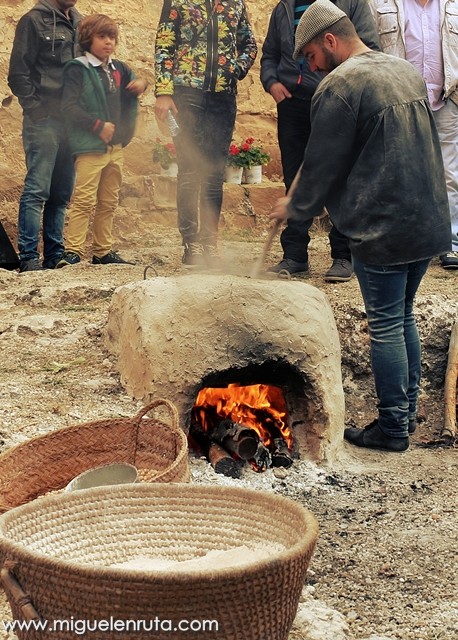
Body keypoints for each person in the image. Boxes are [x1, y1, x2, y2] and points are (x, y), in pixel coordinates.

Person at [269, 0, 451, 451]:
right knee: (401, 315)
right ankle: (405, 416)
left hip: (383, 223)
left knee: (386, 323)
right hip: (425, 219)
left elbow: (322, 161)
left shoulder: (341, 85)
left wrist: (294, 204)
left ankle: (391, 430)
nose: (311, 67)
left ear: (330, 40)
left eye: (311, 56)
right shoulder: (402, 70)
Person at [261, 0, 380, 282]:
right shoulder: (283, 8)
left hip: (339, 98)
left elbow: (369, 48)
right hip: (293, 103)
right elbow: (269, 55)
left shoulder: (351, 3)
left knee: (343, 176)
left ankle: (343, 255)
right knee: (294, 177)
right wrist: (272, 82)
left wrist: (343, 85)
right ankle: (294, 255)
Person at [154, 0, 257, 269]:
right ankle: (191, 244)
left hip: (223, 98)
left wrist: (235, 68)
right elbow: (165, 43)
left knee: (213, 173)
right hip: (187, 93)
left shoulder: (235, 3)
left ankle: (210, 242)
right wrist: (164, 91)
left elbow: (250, 44)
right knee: (189, 170)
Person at [369, 0, 458, 272]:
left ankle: (450, 244)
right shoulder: (381, 3)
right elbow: (370, 47)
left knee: (449, 174)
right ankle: (403, 242)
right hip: (398, 99)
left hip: (447, 98)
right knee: (398, 171)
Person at [56, 14, 146, 268]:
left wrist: (143, 83)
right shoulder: (77, 68)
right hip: (90, 146)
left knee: (108, 201)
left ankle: (102, 251)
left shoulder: (119, 69)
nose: (109, 42)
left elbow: (137, 83)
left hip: (115, 147)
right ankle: (72, 251)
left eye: (112, 37)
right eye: (102, 36)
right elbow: (69, 107)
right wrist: (98, 126)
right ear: (87, 39)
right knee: (84, 199)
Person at [8, 0, 81, 273]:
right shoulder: (33, 21)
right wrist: (36, 109)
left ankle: (54, 256)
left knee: (61, 193)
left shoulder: (80, 22)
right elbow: (18, 74)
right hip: (44, 120)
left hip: (72, 123)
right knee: (37, 189)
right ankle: (28, 257)